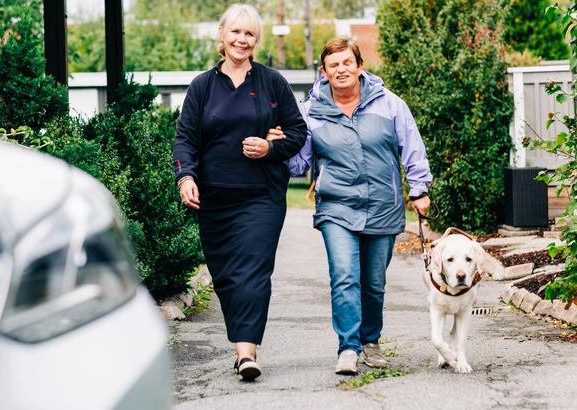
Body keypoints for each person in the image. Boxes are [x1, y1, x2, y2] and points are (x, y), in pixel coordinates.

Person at [172, 4, 307, 381]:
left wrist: (270, 148)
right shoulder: (202, 86)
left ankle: (247, 352)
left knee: (252, 270)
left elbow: (297, 132)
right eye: (235, 32)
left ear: (256, 41)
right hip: (214, 198)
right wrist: (186, 178)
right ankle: (242, 345)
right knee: (226, 275)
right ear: (221, 36)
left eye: (249, 34)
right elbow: (185, 139)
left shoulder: (271, 83)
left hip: (261, 196)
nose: (242, 40)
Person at [287, 37, 433, 375]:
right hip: (336, 207)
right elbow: (298, 164)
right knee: (344, 275)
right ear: (324, 72)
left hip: (383, 205)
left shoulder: (390, 105)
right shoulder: (310, 112)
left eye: (346, 63)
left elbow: (412, 146)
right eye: (333, 65)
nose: (341, 70)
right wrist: (277, 147)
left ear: (359, 66)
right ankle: (348, 348)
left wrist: (419, 187)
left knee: (373, 282)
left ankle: (371, 340)